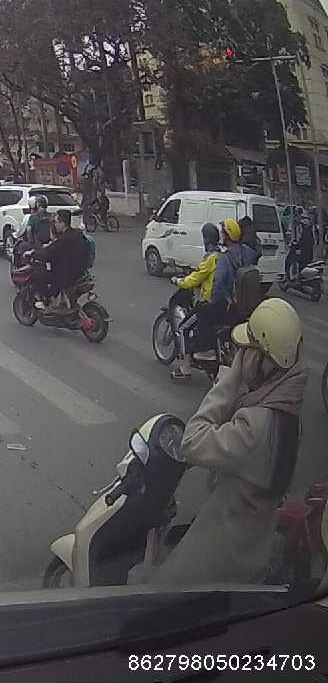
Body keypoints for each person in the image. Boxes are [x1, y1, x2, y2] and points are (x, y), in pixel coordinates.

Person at [153, 298, 307, 585]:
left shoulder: (255, 427)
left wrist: (229, 377)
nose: (240, 355)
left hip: (221, 558)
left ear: (262, 360)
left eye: (246, 351)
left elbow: (192, 441)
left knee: (157, 593)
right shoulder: (287, 415)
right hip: (251, 548)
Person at [170, 223, 222, 379]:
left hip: (207, 304)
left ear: (207, 239)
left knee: (183, 327)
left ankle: (186, 368)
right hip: (221, 304)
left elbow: (194, 279)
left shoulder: (210, 258)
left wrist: (178, 281)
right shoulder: (222, 256)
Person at [31, 209, 87, 311]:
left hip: (67, 274)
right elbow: (54, 248)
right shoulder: (76, 234)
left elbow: (48, 254)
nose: (55, 225)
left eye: (56, 222)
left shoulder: (64, 239)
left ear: (63, 223)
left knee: (38, 276)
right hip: (80, 271)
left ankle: (46, 302)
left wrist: (33, 254)